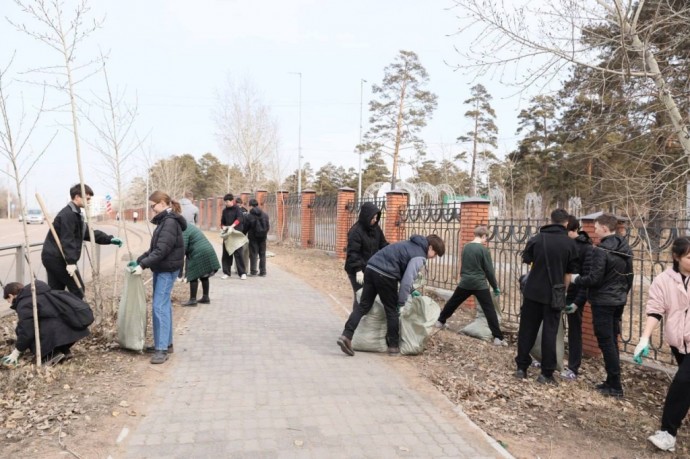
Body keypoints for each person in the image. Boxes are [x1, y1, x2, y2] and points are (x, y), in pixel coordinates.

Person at [337, 234, 445, 357]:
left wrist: (410, 291)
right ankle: (393, 347)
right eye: (435, 254)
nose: (434, 257)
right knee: (392, 310)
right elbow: (407, 280)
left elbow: (401, 269)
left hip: (371, 267)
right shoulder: (420, 256)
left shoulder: (408, 244)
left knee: (363, 306)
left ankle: (346, 335)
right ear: (430, 247)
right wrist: (402, 302)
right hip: (386, 275)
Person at [634, 237, 690, 452]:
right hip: (679, 343)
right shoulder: (663, 280)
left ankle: (668, 433)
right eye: (689, 257)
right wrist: (644, 338)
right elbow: (655, 310)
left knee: (682, 383)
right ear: (676, 257)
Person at [571, 213, 633, 397]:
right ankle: (611, 380)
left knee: (606, 342)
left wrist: (575, 279)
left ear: (605, 228)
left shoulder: (601, 250)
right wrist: (622, 294)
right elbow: (629, 277)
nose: (595, 231)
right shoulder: (625, 248)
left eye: (597, 227)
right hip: (618, 301)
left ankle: (615, 386)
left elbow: (594, 279)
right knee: (612, 340)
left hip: (603, 302)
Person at [515, 208, 579, 385]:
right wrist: (563, 291)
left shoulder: (536, 239)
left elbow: (528, 262)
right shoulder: (570, 244)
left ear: (550, 220)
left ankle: (521, 368)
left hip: (533, 292)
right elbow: (568, 274)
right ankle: (546, 373)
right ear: (566, 223)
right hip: (553, 294)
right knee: (550, 333)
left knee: (527, 330)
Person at [128, 191, 186, 364]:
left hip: (167, 270)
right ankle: (165, 344)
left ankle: (162, 349)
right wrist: (139, 261)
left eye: (153, 206)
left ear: (162, 203)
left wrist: (143, 265)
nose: (152, 209)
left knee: (159, 307)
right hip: (163, 268)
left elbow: (162, 251)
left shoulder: (169, 222)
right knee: (163, 306)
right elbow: (155, 248)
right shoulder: (166, 221)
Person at [41, 183, 122, 299]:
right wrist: (70, 262)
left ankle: (58, 315)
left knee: (56, 292)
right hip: (57, 258)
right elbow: (67, 239)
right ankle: (75, 315)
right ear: (77, 197)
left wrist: (109, 239)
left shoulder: (76, 214)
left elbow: (88, 233)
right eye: (87, 198)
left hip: (55, 257)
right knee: (78, 290)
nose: (89, 201)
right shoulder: (68, 215)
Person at [435, 225, 506, 346]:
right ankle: (498, 338)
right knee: (489, 310)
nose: (485, 241)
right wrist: (495, 287)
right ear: (483, 236)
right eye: (486, 238)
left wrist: (463, 276)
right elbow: (489, 270)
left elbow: (463, 264)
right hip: (479, 284)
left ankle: (440, 321)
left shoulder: (466, 247)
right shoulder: (484, 250)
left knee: (453, 302)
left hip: (465, 282)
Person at [0, 281, 90, 367]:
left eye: (8, 299)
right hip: (72, 329)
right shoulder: (41, 293)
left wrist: (17, 351)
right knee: (44, 323)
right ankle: (63, 351)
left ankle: (51, 355)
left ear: (11, 295)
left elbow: (26, 331)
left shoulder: (24, 303)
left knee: (24, 330)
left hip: (60, 331)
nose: (9, 303)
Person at [561, 215, 594, 380]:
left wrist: (577, 302)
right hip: (558, 293)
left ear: (570, 228)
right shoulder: (563, 244)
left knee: (575, 332)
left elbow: (586, 279)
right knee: (555, 328)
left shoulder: (587, 249)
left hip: (574, 297)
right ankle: (549, 359)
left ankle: (573, 367)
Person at [343, 202, 388, 312]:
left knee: (368, 297)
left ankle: (362, 324)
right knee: (360, 297)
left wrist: (393, 251)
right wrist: (358, 270)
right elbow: (353, 253)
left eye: (376, 217)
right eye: (372, 217)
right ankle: (355, 325)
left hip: (370, 269)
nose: (374, 220)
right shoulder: (355, 232)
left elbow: (383, 244)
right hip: (356, 271)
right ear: (366, 216)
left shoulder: (376, 229)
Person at [180, 224, 221, 306]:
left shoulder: (183, 229)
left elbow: (183, 247)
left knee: (193, 274)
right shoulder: (188, 226)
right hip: (206, 249)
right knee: (204, 274)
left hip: (199, 252)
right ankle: (205, 297)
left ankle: (192, 300)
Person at [219, 193, 247, 280]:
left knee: (239, 254)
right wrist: (223, 227)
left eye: (227, 202)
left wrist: (232, 226)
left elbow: (239, 219)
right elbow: (222, 222)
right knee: (226, 253)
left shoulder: (237, 209)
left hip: (236, 234)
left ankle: (242, 273)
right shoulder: (225, 211)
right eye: (225, 202)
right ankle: (226, 272)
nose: (226, 203)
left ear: (231, 201)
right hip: (228, 235)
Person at [246, 198, 270, 277]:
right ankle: (263, 272)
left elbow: (246, 227)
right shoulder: (265, 215)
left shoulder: (249, 216)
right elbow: (268, 227)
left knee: (253, 254)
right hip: (263, 238)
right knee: (262, 254)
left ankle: (253, 271)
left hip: (253, 238)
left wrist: (243, 233)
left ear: (250, 206)